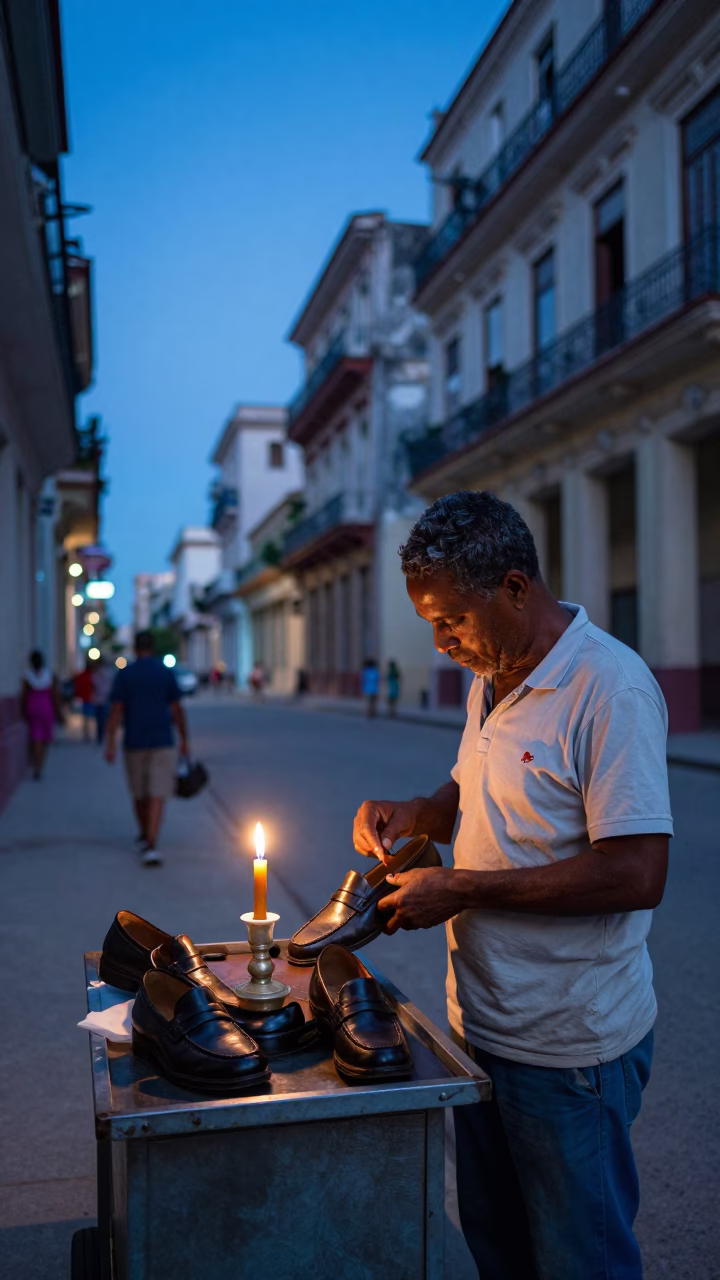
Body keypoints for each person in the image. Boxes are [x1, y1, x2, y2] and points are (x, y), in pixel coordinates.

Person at [353, 491, 672, 1280]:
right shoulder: (492, 673)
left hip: (571, 1047)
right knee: (499, 1245)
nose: (440, 642)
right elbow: (471, 782)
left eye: (452, 619)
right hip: (484, 1026)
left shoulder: (610, 690)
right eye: (431, 622)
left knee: (578, 1258)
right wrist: (416, 814)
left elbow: (637, 872)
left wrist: (462, 889)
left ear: (516, 587)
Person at [104, 630, 189, 866]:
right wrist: (184, 740)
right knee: (157, 792)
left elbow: (116, 710)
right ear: (154, 648)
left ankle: (146, 836)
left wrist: (110, 743)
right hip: (163, 740)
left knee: (139, 792)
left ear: (135, 648)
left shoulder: (126, 674)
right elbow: (177, 709)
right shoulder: (165, 673)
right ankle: (150, 841)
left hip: (134, 741)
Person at [21, 651, 61, 779]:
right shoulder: (49, 676)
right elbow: (55, 695)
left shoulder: (27, 676)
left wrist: (23, 710)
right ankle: (39, 765)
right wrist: (58, 711)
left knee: (35, 737)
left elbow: (23, 695)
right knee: (43, 739)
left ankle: (35, 764)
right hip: (46, 708)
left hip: (32, 707)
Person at [92, 658, 114, 745]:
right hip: (99, 699)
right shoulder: (97, 674)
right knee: (100, 719)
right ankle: (101, 735)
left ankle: (102, 735)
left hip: (103, 699)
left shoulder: (106, 674)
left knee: (102, 719)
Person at [74, 661, 95, 740]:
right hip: (88, 698)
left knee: (87, 717)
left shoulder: (87, 675)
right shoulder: (89, 676)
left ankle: (87, 733)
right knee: (88, 717)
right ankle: (87, 733)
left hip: (88, 698)